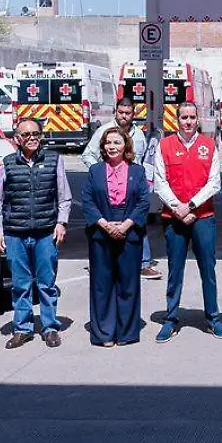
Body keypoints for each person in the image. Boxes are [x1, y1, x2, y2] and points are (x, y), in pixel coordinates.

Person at [153, 102, 222, 342]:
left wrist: (191, 206)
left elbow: (214, 183)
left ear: (198, 119)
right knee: (175, 270)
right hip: (174, 218)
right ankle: (171, 319)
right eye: (184, 117)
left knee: (208, 269)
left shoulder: (209, 145)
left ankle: (213, 319)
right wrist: (178, 208)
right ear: (177, 120)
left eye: (192, 117)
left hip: (202, 218)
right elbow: (159, 181)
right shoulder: (164, 145)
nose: (188, 121)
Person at [0, 118, 71, 350]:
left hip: (46, 232)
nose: (32, 138)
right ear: (17, 139)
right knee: (20, 284)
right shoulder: (6, 163)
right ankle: (22, 329)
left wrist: (62, 223)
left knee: (47, 283)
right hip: (15, 233)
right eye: (26, 135)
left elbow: (64, 196)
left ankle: (50, 327)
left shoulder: (54, 160)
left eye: (36, 133)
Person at [81, 128, 151, 347]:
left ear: (125, 145)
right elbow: (87, 201)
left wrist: (126, 225)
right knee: (102, 284)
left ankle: (126, 332)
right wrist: (104, 224)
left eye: (117, 142)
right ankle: (104, 333)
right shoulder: (95, 171)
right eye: (108, 143)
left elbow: (143, 202)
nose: (112, 146)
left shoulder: (137, 171)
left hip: (129, 231)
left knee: (128, 284)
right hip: (101, 232)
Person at [81, 97, 162, 280]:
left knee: (137, 221)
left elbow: (142, 161)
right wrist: (101, 173)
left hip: (131, 187)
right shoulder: (103, 131)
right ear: (115, 112)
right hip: (109, 189)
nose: (124, 116)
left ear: (134, 114)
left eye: (127, 113)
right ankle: (102, 262)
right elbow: (87, 155)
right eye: (120, 112)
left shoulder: (139, 135)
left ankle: (143, 263)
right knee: (106, 226)